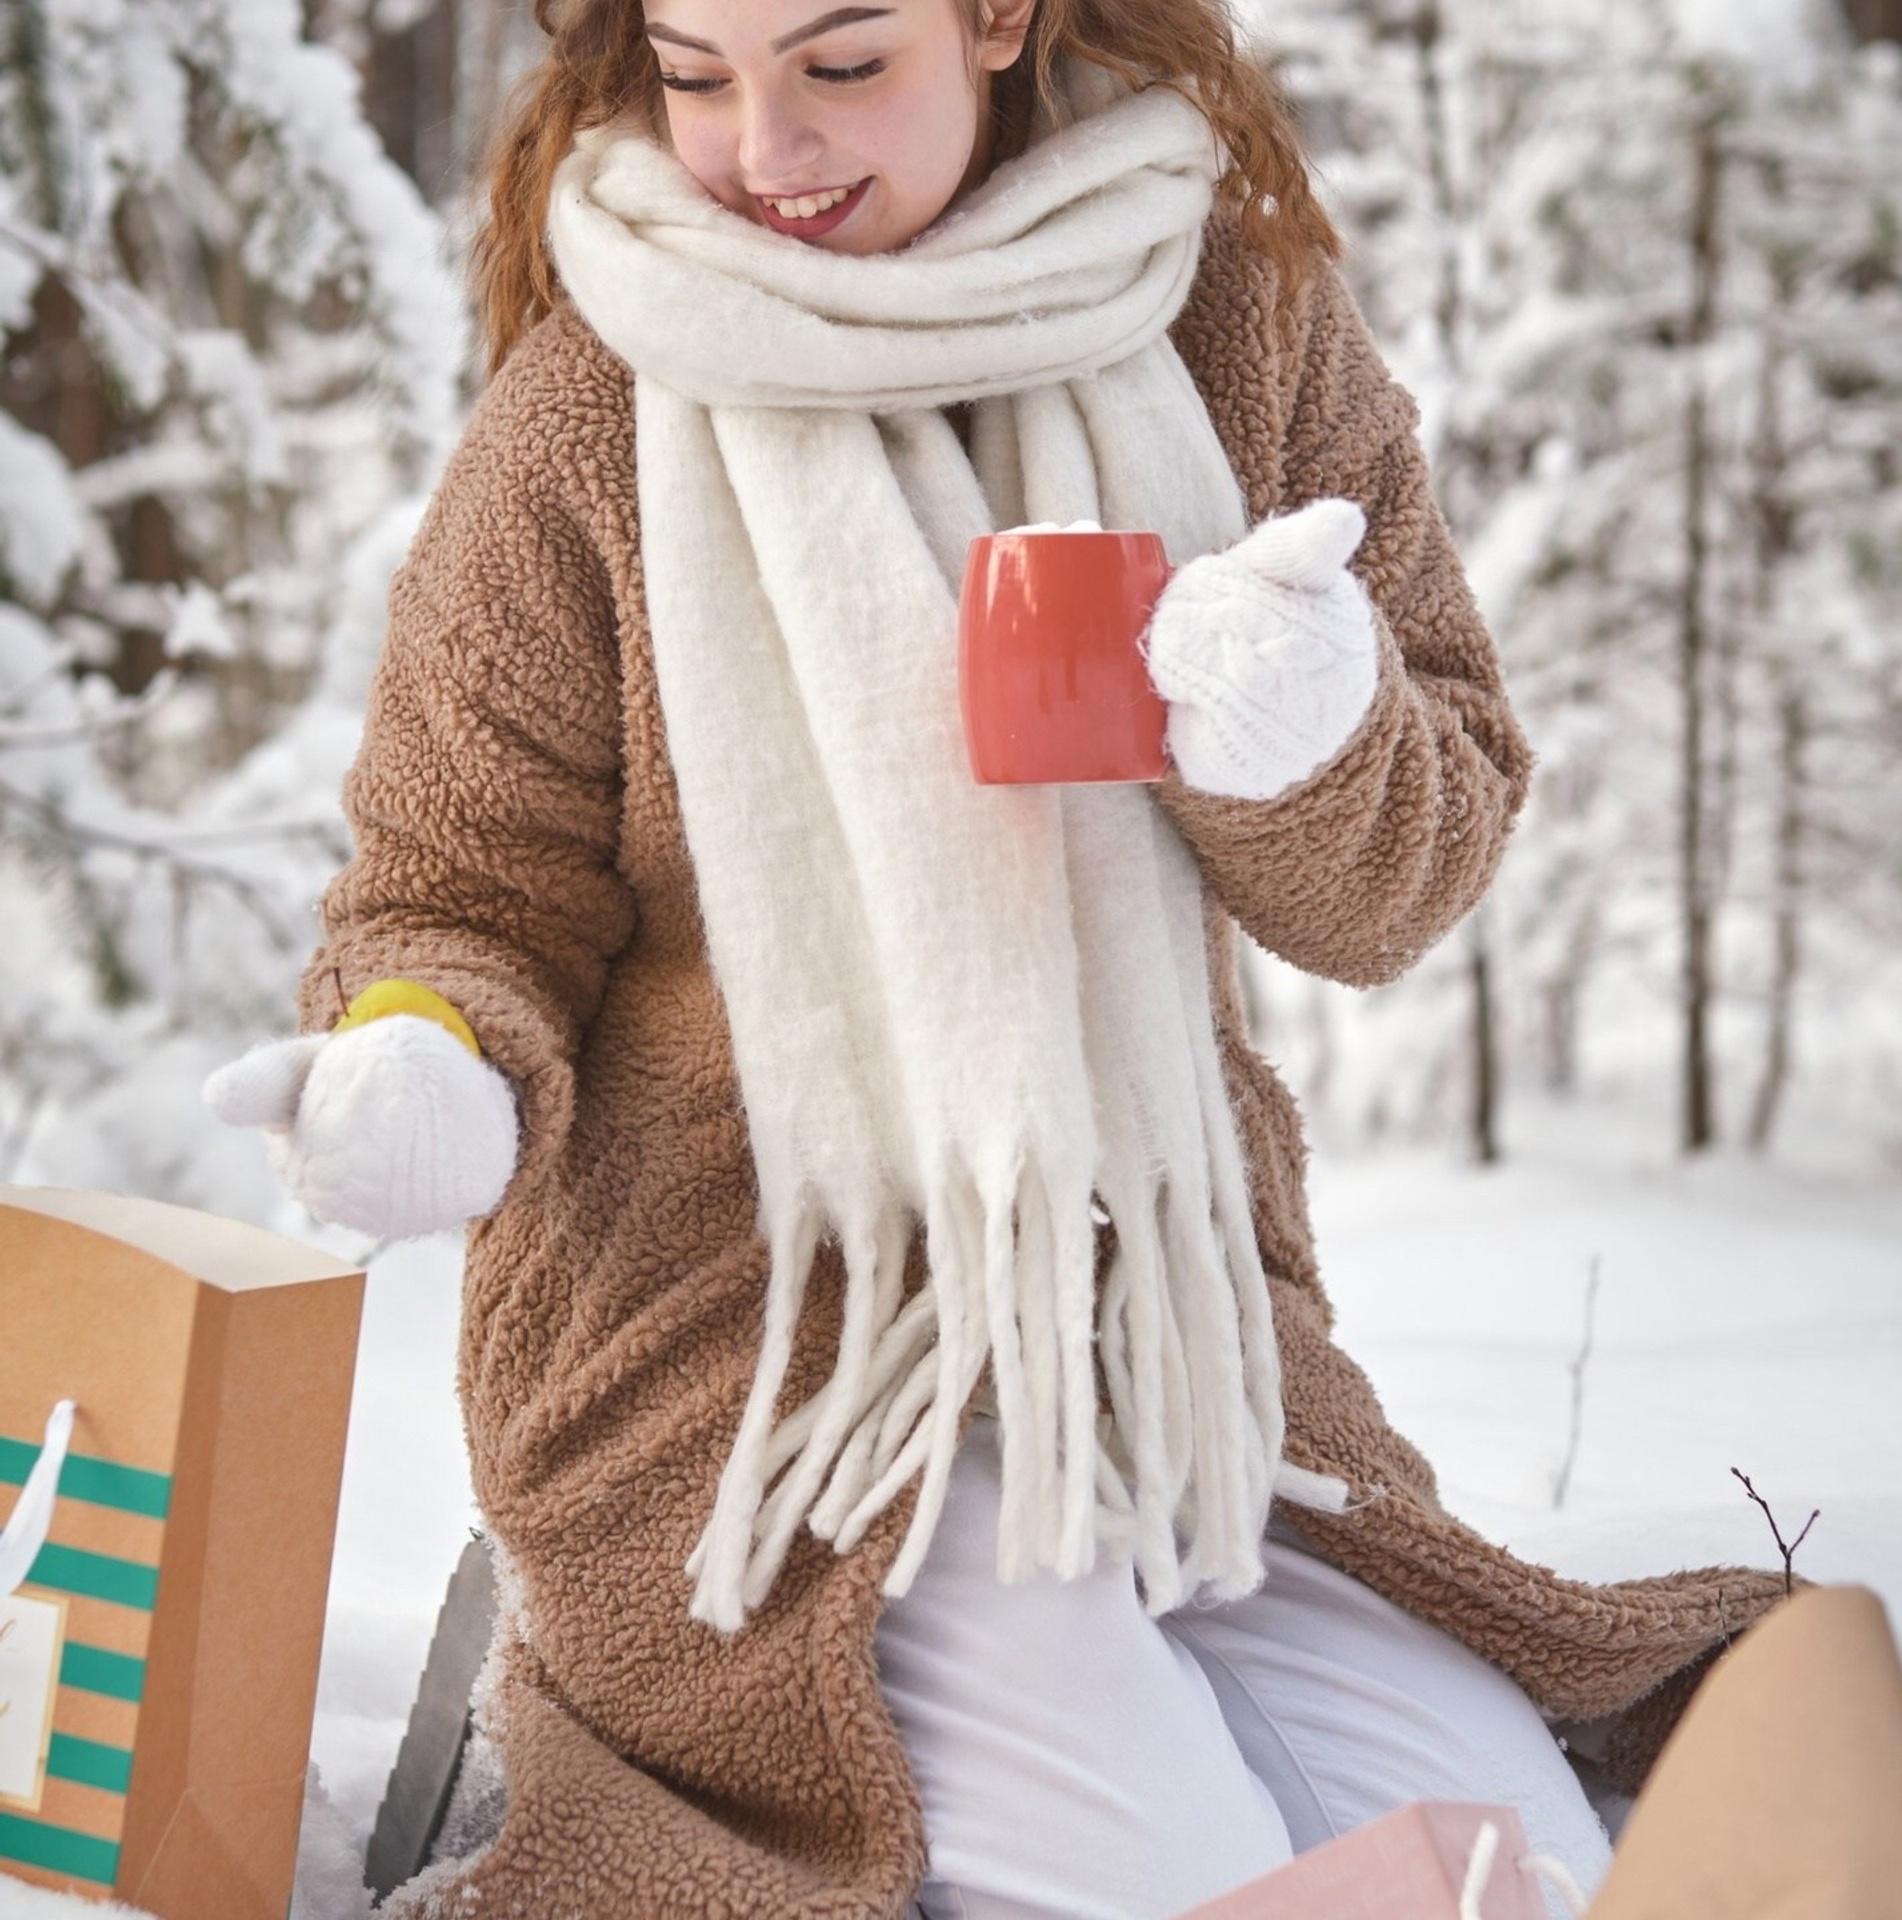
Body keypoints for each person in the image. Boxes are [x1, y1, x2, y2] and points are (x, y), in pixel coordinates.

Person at [207, 2, 1785, 1915]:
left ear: (1001, 16)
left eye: (842, 62)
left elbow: (1402, 883)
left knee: (1509, 1854)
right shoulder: (592, 411)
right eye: (699, 73)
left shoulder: (1233, 330)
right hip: (752, 1352)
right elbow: (457, 888)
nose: (765, 145)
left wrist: (1302, 735)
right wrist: (424, 1054)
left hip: (1168, 1339)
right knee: (1166, 1878)